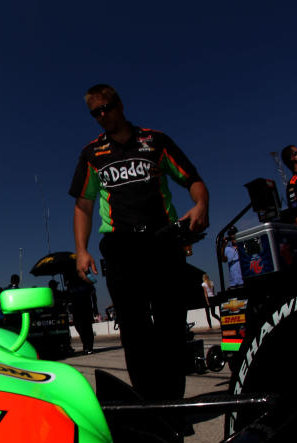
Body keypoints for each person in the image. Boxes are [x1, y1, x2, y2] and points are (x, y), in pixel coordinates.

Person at [69, 83, 209, 402]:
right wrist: (81, 250)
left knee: (171, 328)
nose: (102, 116)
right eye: (95, 113)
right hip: (120, 249)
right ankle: (148, 405)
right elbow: (83, 205)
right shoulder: (91, 153)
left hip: (163, 241)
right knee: (134, 331)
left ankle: (171, 403)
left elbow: (193, 180)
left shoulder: (156, 140)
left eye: (106, 108)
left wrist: (201, 204)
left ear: (119, 104)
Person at [66, 273, 97, 354]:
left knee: (87, 328)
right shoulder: (70, 286)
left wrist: (95, 307)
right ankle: (86, 345)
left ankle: (89, 346)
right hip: (77, 311)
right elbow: (68, 298)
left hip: (86, 309)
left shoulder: (87, 283)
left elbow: (93, 294)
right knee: (80, 328)